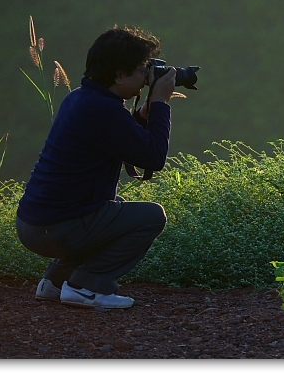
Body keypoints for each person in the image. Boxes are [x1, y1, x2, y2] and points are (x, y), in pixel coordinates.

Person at [15, 25, 176, 309]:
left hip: (33, 225)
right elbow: (154, 157)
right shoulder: (104, 110)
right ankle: (87, 286)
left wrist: (140, 115)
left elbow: (112, 137)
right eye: (141, 71)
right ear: (119, 74)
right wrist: (161, 103)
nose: (144, 79)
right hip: (60, 229)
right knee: (151, 216)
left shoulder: (80, 98)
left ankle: (55, 282)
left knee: (114, 210)